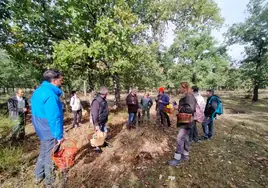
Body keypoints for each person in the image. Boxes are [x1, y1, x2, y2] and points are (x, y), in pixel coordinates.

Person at [31, 69, 64, 188]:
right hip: (49, 129)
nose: (62, 81)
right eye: (60, 79)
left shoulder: (38, 91)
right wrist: (59, 136)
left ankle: (38, 176)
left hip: (40, 128)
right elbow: (54, 118)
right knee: (51, 155)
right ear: (54, 81)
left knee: (43, 152)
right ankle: (49, 182)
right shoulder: (51, 95)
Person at [168, 82, 197, 166]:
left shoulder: (189, 97)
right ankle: (185, 155)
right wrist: (175, 105)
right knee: (186, 138)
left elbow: (190, 109)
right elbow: (186, 107)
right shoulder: (188, 96)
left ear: (185, 88)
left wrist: (179, 107)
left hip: (187, 122)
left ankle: (177, 159)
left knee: (179, 139)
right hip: (186, 121)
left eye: (180, 87)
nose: (179, 89)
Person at [90, 87, 109, 151]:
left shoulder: (104, 100)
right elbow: (94, 114)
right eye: (107, 93)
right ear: (105, 93)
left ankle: (103, 143)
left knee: (104, 132)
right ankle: (97, 147)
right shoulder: (96, 101)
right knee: (97, 134)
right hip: (98, 122)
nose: (107, 94)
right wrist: (96, 124)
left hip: (103, 120)